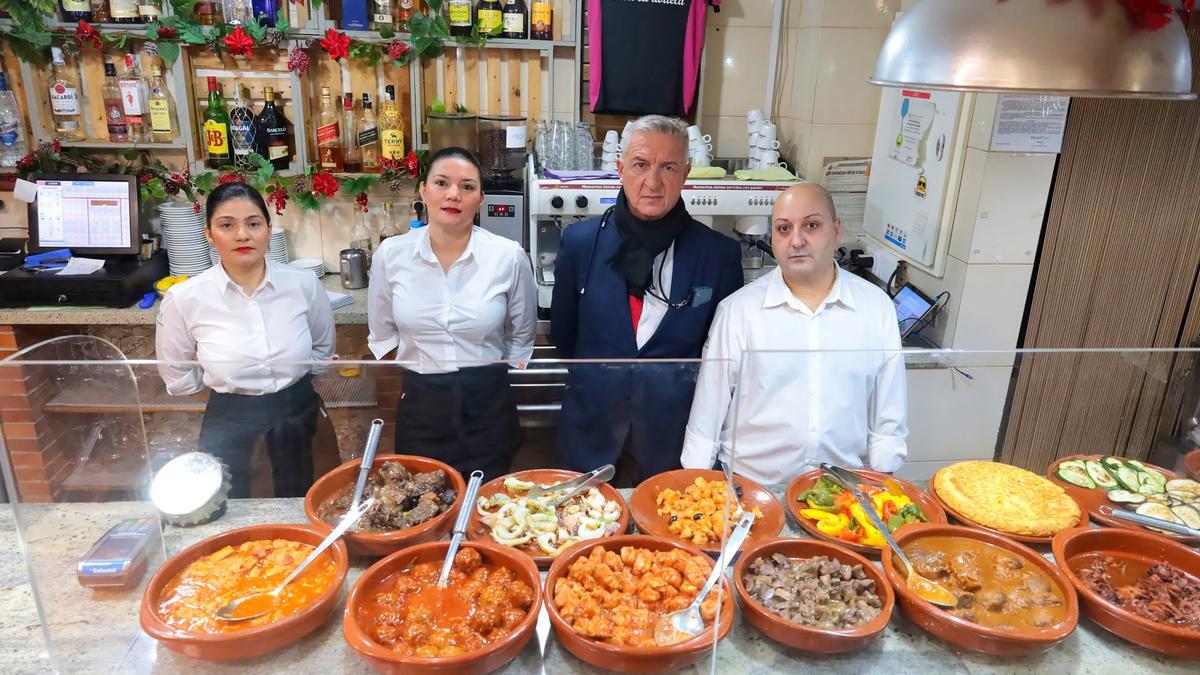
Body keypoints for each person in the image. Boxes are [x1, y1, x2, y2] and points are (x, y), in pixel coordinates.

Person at [551, 115, 743, 483]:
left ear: (686, 174)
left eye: (668, 167)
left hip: (670, 442)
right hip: (589, 434)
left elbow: (719, 358)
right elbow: (565, 337)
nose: (652, 182)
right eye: (640, 165)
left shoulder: (718, 255)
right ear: (621, 169)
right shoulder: (581, 244)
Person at [680, 183, 908, 484]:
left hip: (840, 491)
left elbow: (888, 412)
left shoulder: (875, 307)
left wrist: (880, 484)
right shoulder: (739, 311)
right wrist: (698, 486)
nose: (796, 240)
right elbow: (706, 415)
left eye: (811, 226)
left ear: (836, 230)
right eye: (783, 229)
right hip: (751, 490)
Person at [156, 182, 335, 498]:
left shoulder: (303, 284)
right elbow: (179, 375)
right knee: (236, 515)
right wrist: (233, 399)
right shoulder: (185, 298)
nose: (242, 235)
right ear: (210, 234)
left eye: (253, 223)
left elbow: (322, 351)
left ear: (268, 229)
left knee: (308, 504)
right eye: (227, 225)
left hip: (298, 413)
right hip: (228, 422)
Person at [368, 147, 537, 478]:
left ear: (481, 199)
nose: (453, 195)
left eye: (467, 187)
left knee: (487, 507)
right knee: (423, 506)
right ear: (423, 190)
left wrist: (488, 381)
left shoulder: (508, 256)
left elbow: (522, 335)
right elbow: (382, 335)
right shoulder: (391, 255)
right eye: (442, 183)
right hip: (421, 403)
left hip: (488, 404)